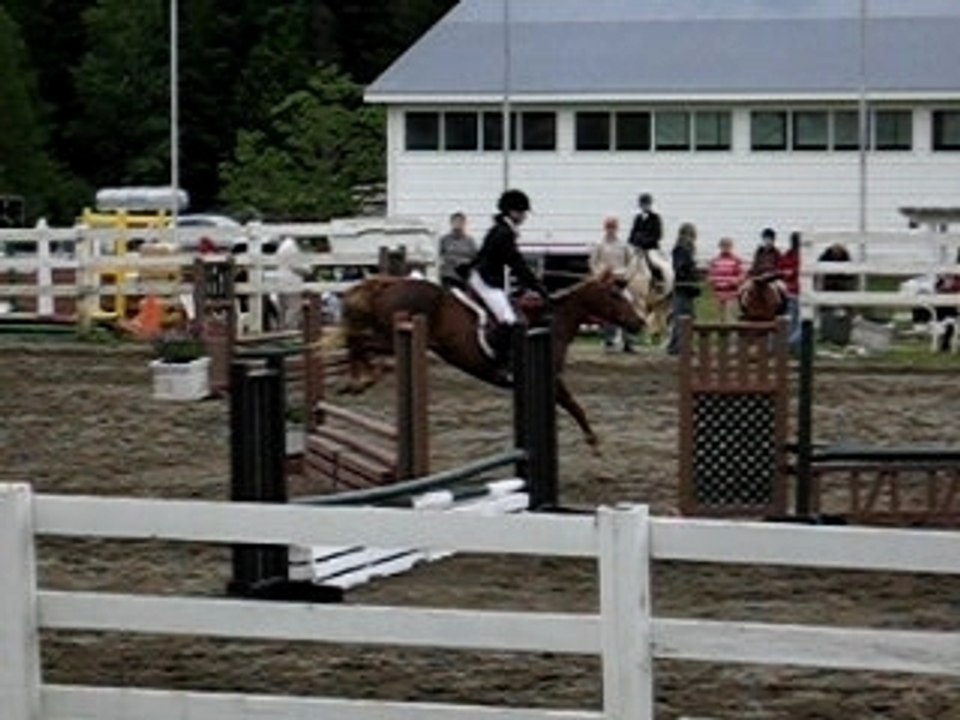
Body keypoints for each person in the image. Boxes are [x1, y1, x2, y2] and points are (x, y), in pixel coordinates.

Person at [468, 189, 552, 372]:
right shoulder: (503, 233)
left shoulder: (500, 229)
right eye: (522, 213)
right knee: (509, 320)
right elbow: (517, 264)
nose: (524, 217)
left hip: (485, 276)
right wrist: (539, 288)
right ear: (513, 212)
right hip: (486, 281)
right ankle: (500, 361)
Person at [590, 216, 638, 352]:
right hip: (606, 282)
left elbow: (631, 262)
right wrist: (599, 274)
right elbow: (593, 263)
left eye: (613, 227)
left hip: (620, 281)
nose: (611, 230)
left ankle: (628, 341)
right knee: (608, 311)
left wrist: (626, 275)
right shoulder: (599, 245)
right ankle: (609, 340)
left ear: (616, 228)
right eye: (608, 227)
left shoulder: (623, 245)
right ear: (605, 228)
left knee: (627, 307)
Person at [666, 223, 700, 355]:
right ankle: (680, 345)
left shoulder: (686, 250)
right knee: (683, 317)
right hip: (683, 287)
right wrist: (691, 276)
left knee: (684, 317)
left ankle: (677, 345)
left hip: (686, 288)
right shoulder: (681, 250)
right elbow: (680, 269)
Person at [706, 237, 745, 323]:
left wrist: (734, 281)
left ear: (731, 247)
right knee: (718, 318)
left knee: (730, 318)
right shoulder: (715, 261)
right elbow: (710, 275)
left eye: (727, 246)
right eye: (723, 246)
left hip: (732, 293)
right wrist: (713, 281)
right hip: (717, 293)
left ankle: (730, 335)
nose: (725, 248)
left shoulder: (736, 260)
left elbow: (742, 275)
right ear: (720, 247)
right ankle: (720, 334)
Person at [438, 212, 477, 289]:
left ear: (464, 223)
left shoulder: (470, 241)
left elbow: (475, 257)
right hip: (449, 275)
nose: (457, 224)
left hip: (464, 277)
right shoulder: (445, 240)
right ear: (451, 223)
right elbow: (439, 256)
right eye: (455, 222)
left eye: (460, 222)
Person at [778, 232, 801, 348]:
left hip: (796, 292)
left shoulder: (791, 255)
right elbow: (781, 270)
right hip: (793, 292)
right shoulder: (790, 255)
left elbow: (785, 271)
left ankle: (790, 344)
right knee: (795, 320)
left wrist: (789, 273)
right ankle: (790, 345)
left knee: (795, 321)